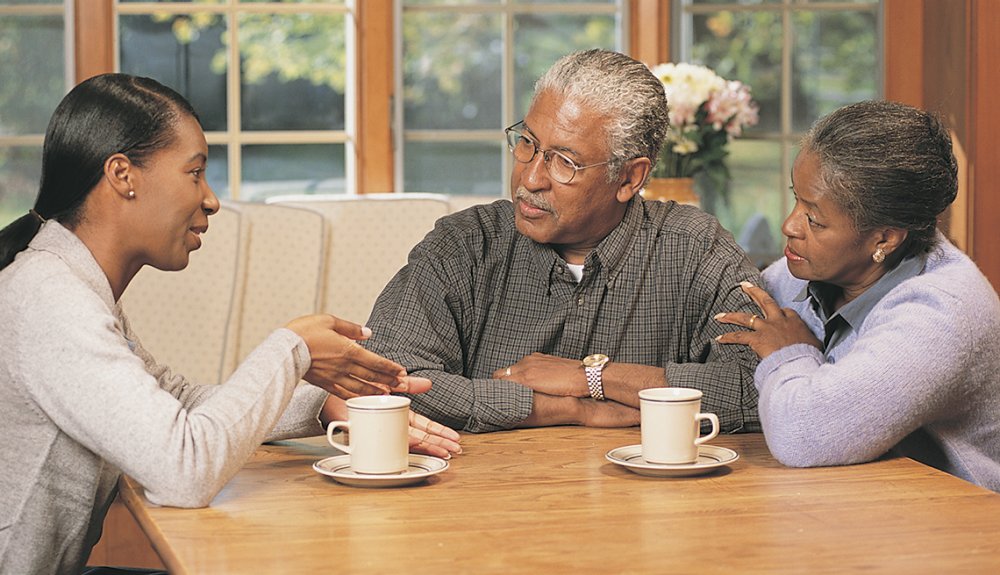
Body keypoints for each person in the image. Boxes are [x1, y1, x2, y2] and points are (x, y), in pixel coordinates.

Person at [0, 74, 460, 575]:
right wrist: (292, 349)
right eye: (194, 173)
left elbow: (176, 402)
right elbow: (185, 470)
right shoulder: (51, 298)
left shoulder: (70, 283)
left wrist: (326, 407)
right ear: (122, 175)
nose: (211, 199)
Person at [361, 49, 763, 433]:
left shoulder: (695, 250)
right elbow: (380, 381)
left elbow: (763, 387)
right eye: (528, 143)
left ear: (629, 178)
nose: (530, 179)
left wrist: (592, 377)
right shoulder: (465, 246)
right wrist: (565, 408)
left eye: (564, 162)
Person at [715, 100, 1000, 492]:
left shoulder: (942, 313)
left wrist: (789, 352)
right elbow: (725, 369)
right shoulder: (801, 273)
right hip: (856, 502)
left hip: (953, 526)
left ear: (884, 238)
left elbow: (801, 434)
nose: (789, 225)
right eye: (795, 198)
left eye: (814, 219)